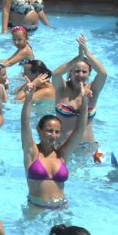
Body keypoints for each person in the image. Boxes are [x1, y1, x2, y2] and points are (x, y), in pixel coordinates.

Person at [18, 77, 88, 210]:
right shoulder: (32, 152)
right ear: (39, 130)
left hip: (61, 208)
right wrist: (29, 98)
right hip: (36, 209)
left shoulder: (62, 154)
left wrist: (84, 102)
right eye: (49, 131)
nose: (54, 135)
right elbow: (25, 124)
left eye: (57, 132)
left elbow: (80, 129)